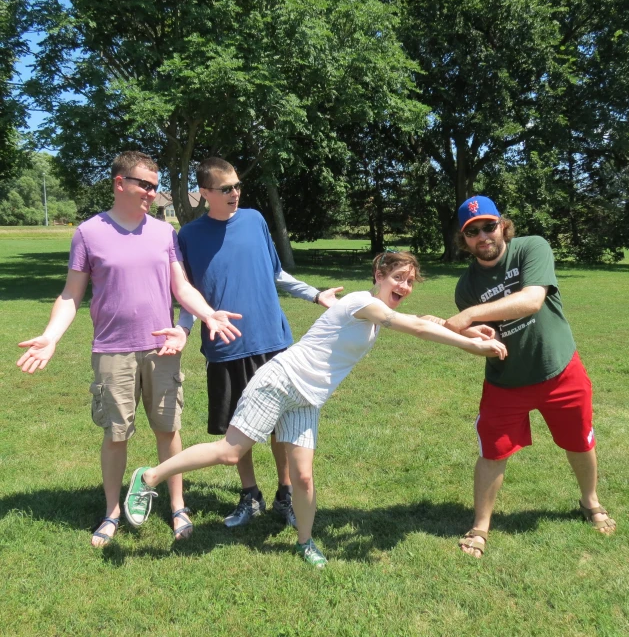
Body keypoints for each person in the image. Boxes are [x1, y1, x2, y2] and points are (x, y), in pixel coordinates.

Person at [124, 251, 507, 567]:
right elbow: (414, 327)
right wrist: (471, 348)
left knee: (303, 478)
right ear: (379, 274)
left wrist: (466, 329)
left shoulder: (376, 313)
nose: (404, 287)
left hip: (307, 398)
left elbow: (425, 320)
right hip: (280, 381)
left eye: (410, 282)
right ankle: (150, 477)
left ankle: (304, 542)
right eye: (398, 278)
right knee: (230, 452)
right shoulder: (362, 303)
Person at [16, 151, 241, 547]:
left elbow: (181, 287)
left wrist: (206, 315)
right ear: (120, 183)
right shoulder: (88, 233)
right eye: (145, 185)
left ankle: (177, 507)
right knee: (116, 433)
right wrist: (51, 336)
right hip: (112, 350)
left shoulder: (163, 233)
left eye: (155, 187)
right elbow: (71, 294)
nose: (152, 194)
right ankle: (112, 512)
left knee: (168, 430)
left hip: (162, 350)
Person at [169, 157, 343, 529]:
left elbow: (276, 272)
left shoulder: (255, 221)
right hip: (225, 346)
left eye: (237, 187)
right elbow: (189, 293)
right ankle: (250, 495)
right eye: (226, 188)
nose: (235, 194)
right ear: (204, 193)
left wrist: (315, 295)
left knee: (283, 425)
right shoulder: (188, 236)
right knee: (236, 427)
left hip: (272, 342)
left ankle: (284, 495)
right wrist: (183, 330)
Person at [443, 195, 616, 559]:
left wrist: (472, 314)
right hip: (506, 381)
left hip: (560, 369)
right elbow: (480, 336)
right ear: (465, 240)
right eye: (472, 232)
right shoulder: (466, 285)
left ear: (502, 225)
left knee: (579, 443)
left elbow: (532, 299)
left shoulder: (530, 249)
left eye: (488, 226)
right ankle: (480, 527)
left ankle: (590, 502)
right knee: (492, 452)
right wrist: (475, 337)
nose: (483, 236)